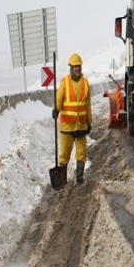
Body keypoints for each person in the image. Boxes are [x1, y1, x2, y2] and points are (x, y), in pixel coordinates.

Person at [52, 53, 93, 184]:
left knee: (82, 153)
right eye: (75, 66)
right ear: (71, 67)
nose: (77, 68)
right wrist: (56, 110)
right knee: (64, 154)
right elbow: (59, 99)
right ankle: (62, 179)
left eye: (79, 66)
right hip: (67, 126)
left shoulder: (85, 83)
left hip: (80, 125)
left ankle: (79, 177)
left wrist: (89, 122)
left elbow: (88, 105)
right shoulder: (65, 83)